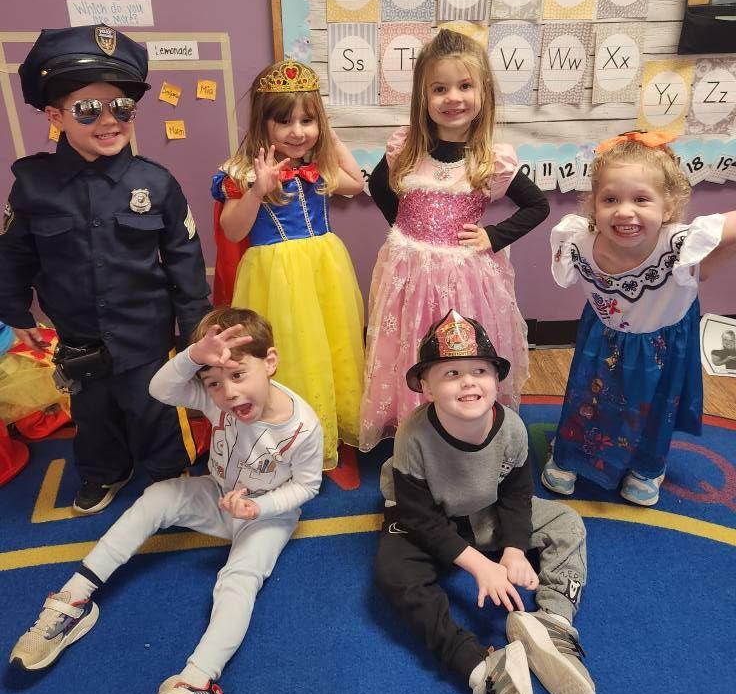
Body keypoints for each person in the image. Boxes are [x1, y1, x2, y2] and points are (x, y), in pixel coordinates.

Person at [10, 306, 323, 694]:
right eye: (214, 383)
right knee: (158, 496)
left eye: (238, 375)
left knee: (238, 579)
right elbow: (161, 386)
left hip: (268, 514)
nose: (228, 393)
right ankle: (74, 600)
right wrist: (195, 355)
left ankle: (192, 690)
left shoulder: (304, 426)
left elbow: (307, 487)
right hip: (217, 496)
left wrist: (260, 510)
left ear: (269, 362)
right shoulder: (215, 397)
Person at [0, 25, 211, 514]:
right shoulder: (33, 185)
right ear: (55, 116)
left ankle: (166, 476)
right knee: (92, 414)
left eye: (122, 108)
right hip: (78, 338)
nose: (108, 120)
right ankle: (104, 473)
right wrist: (16, 315)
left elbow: (184, 256)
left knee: (155, 408)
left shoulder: (155, 183)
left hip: (146, 334)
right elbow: (13, 254)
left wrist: (195, 326)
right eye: (87, 109)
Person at [374, 310, 595, 694]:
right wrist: (480, 565)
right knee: (392, 573)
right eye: (451, 373)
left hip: (485, 514)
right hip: (428, 519)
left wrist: (513, 550)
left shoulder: (511, 426)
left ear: (497, 379)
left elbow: (517, 495)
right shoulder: (413, 435)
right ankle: (481, 666)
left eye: (480, 370)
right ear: (426, 386)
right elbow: (418, 516)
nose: (468, 382)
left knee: (565, 522)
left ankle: (551, 622)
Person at [361, 28, 549, 451]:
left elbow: (537, 207)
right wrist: (406, 231)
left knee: (458, 352)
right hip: (409, 273)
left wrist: (494, 236)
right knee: (408, 343)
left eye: (465, 86)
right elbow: (378, 186)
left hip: (465, 279)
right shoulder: (406, 147)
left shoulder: (490, 158)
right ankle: (415, 427)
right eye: (439, 88)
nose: (453, 98)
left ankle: (463, 422)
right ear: (423, 97)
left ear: (483, 92)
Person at [543, 130, 736, 507]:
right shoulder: (577, 241)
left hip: (662, 342)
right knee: (590, 397)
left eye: (641, 199)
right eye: (610, 199)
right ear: (593, 205)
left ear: (668, 208)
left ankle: (647, 466)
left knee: (654, 405)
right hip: (603, 337)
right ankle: (569, 452)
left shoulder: (677, 245)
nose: (624, 210)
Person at [211, 58, 365, 473]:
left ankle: (328, 427)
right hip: (276, 275)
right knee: (292, 348)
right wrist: (257, 191)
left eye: (308, 120)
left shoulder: (317, 167)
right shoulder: (241, 172)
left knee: (331, 346)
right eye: (284, 122)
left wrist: (328, 135)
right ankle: (287, 434)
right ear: (263, 124)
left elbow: (356, 183)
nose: (298, 132)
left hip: (324, 269)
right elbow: (230, 229)